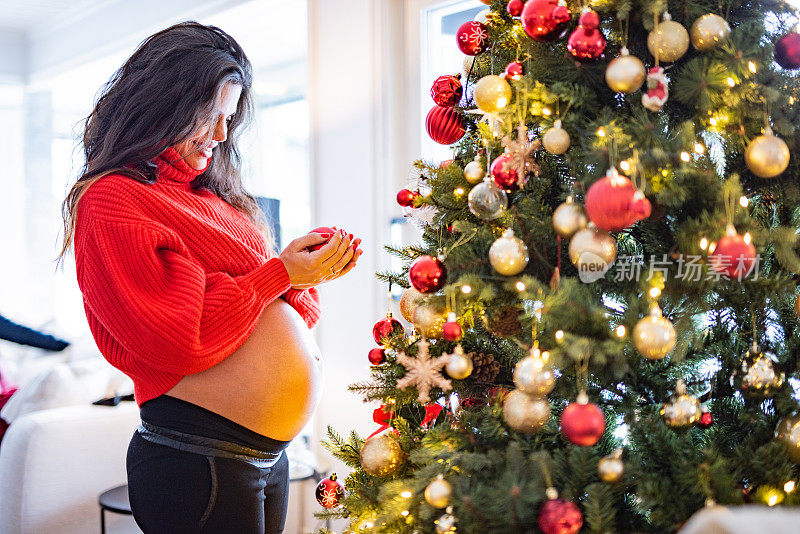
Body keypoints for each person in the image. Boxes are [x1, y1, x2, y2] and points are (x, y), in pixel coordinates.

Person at [58, 22, 361, 533]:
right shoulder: (114, 199)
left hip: (263, 458)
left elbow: (284, 314)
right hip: (196, 458)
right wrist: (277, 274)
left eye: (229, 119)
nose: (222, 136)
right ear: (166, 105)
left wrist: (299, 272)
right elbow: (176, 336)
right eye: (211, 117)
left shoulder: (215, 200)